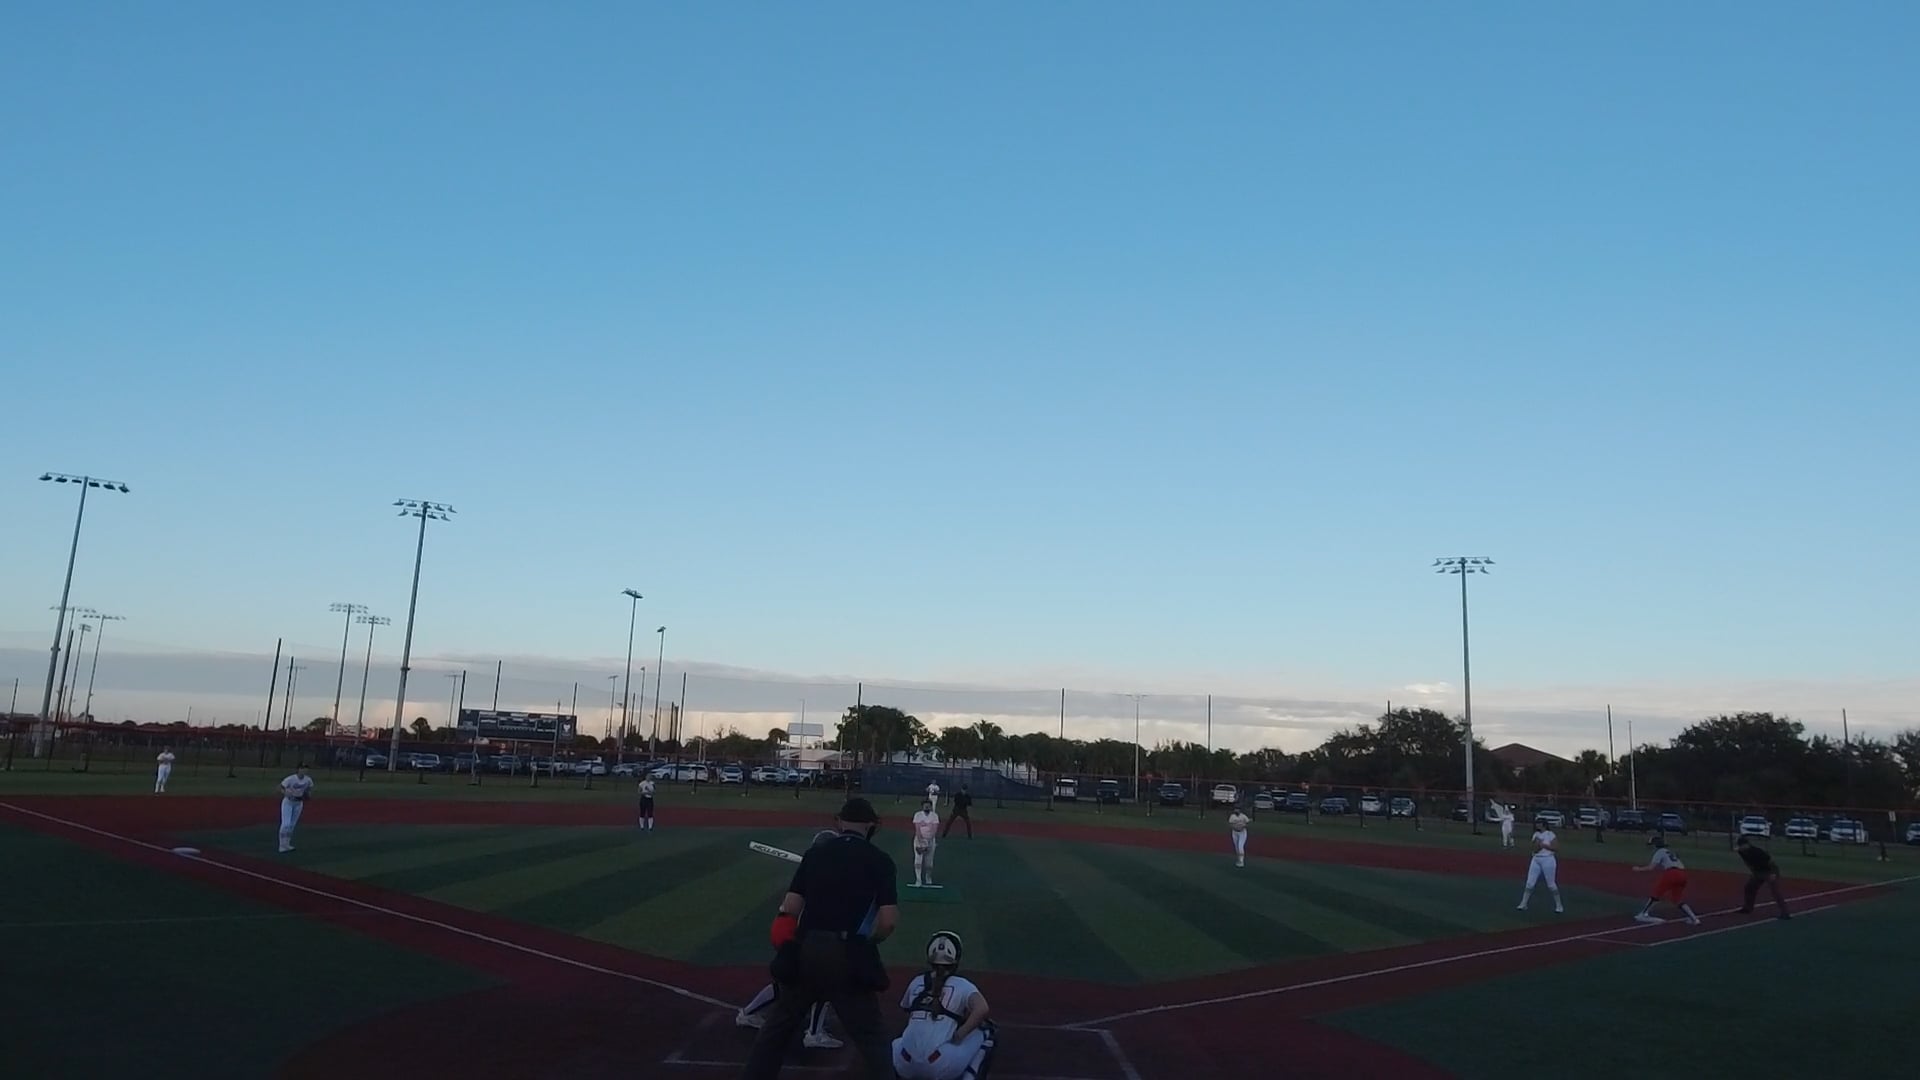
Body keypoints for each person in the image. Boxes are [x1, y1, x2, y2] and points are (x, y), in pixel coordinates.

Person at [741, 798, 900, 1079]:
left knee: (776, 1031)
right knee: (872, 1037)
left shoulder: (815, 854)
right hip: (846, 952)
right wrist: (868, 944)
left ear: (839, 822)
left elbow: (790, 908)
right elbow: (888, 921)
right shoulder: (880, 860)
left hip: (807, 947)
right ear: (871, 825)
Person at [739, 830, 843, 1048]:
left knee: (791, 981)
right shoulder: (820, 873)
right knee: (824, 979)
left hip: (784, 926)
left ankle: (748, 1013)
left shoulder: (813, 869)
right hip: (793, 929)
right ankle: (814, 1034)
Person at [892, 931, 995, 1080]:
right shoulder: (962, 984)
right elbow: (982, 1009)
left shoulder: (916, 982)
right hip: (939, 1065)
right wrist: (960, 1034)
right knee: (988, 1030)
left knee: (897, 1041)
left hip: (904, 1063)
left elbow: (907, 1013)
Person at [1631, 835, 1701, 925]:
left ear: (1655, 845)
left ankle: (1643, 914)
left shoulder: (1659, 852)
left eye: (1652, 845)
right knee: (1677, 899)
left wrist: (1638, 869)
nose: (1651, 847)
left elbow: (1651, 867)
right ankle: (1694, 919)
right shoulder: (1670, 851)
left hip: (1671, 873)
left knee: (1656, 893)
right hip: (1682, 874)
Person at [1736, 836, 1792, 919]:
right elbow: (1748, 863)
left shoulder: (1757, 851)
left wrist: (1773, 873)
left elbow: (1771, 862)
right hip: (1758, 872)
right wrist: (1754, 872)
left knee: (1775, 892)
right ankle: (1748, 908)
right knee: (1749, 887)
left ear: (1747, 844)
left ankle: (1785, 913)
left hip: (1769, 871)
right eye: (1740, 845)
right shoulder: (1741, 852)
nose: (1741, 847)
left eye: (1742, 845)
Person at [1516, 816, 1563, 913]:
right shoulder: (1536, 834)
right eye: (1537, 823)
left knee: (1551, 884)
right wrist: (1538, 845)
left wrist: (1544, 845)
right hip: (1536, 859)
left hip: (1548, 860)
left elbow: (1556, 848)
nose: (1537, 825)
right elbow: (1534, 849)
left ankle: (1559, 905)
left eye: (1539, 823)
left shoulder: (1550, 834)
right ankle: (1523, 903)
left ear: (1544, 824)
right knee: (1530, 883)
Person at [277, 764, 313, 853]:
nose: (304, 771)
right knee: (286, 824)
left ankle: (287, 844)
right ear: (298, 769)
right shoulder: (291, 779)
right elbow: (280, 787)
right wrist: (285, 792)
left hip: (298, 803)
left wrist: (308, 795)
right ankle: (281, 845)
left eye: (306, 769)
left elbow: (308, 790)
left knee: (292, 825)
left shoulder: (308, 780)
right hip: (288, 802)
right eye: (302, 769)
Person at [911, 800, 941, 888]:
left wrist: (928, 841)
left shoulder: (934, 816)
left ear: (931, 807)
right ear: (922, 806)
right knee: (918, 861)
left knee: (929, 863)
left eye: (928, 806)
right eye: (925, 806)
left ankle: (928, 877)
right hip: (919, 840)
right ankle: (918, 879)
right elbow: (917, 829)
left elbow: (934, 830)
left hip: (930, 841)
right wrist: (921, 841)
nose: (927, 807)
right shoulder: (918, 815)